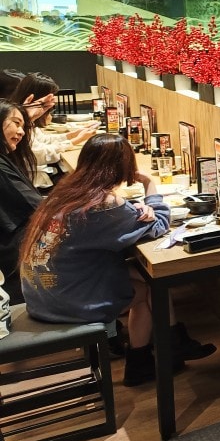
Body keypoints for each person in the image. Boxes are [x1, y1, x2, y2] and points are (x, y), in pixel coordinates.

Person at [19, 134, 172, 386]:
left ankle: (171, 344)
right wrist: (149, 185)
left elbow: (113, 221)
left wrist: (133, 208)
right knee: (146, 289)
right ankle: (141, 363)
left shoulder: (65, 194)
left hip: (40, 296)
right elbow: (160, 225)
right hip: (68, 303)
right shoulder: (105, 204)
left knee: (136, 272)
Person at [11, 72, 98, 189]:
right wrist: (75, 140)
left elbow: (42, 140)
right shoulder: (17, 121)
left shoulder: (26, 118)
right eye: (46, 100)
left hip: (39, 175)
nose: (51, 104)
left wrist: (73, 135)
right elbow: (39, 155)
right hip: (34, 182)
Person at [1, 101, 42, 304]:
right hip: (13, 255)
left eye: (24, 126)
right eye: (16, 123)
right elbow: (38, 207)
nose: (22, 132)